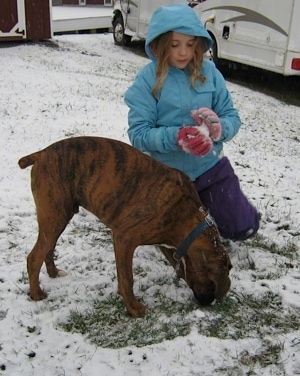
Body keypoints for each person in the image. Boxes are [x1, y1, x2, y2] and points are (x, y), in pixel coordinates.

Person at [124, 3, 259, 241]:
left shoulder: (210, 73)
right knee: (180, 238)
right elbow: (139, 133)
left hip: (210, 168)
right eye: (174, 45)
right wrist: (176, 137)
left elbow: (231, 116)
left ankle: (218, 210)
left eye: (190, 44)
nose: (183, 52)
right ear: (159, 44)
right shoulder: (147, 80)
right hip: (168, 175)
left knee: (242, 227)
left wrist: (219, 129)